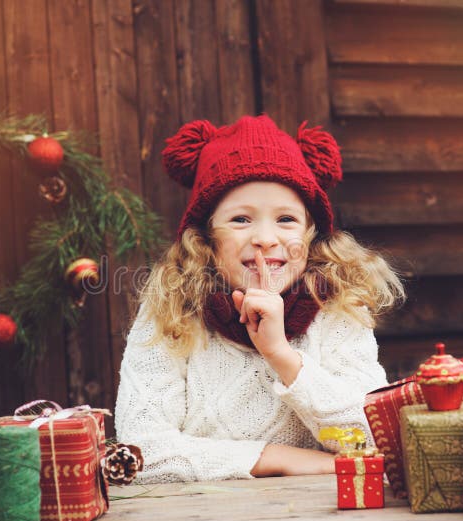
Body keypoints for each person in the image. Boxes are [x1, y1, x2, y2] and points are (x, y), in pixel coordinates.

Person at [114, 115, 404, 483]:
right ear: (206, 239)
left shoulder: (338, 308)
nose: (266, 238)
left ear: (311, 236)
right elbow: (140, 453)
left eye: (286, 219)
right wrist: (276, 458)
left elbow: (374, 435)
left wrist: (281, 354)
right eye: (240, 220)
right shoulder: (171, 311)